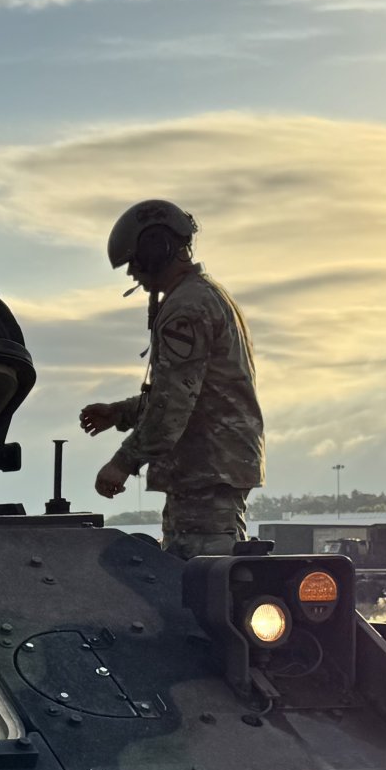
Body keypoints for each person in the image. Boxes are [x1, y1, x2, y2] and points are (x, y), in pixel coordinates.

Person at [80, 199, 265, 559]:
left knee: (201, 577)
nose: (133, 273)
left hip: (205, 469)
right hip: (211, 467)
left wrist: (123, 462)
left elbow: (174, 404)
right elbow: (190, 392)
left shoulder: (188, 308)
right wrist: (120, 413)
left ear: (155, 250)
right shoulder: (205, 296)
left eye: (134, 261)